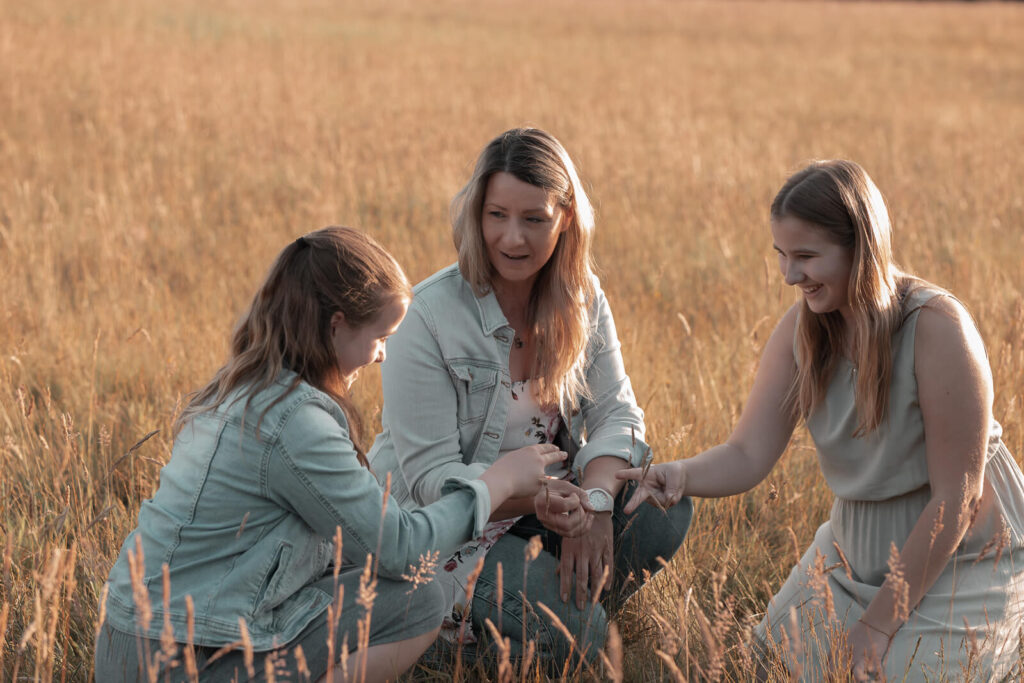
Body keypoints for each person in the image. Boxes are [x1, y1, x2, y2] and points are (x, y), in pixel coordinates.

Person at [94, 226, 567, 683]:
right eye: (380, 336)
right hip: (181, 661)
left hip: (133, 645)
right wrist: (499, 481)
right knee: (420, 598)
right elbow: (403, 552)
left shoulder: (244, 390)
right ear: (336, 326)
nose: (382, 355)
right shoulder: (294, 422)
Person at [617, 160, 1024, 681]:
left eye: (806, 256)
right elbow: (747, 453)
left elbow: (957, 499)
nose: (790, 275)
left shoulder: (938, 329)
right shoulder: (803, 331)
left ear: (862, 247)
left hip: (958, 556)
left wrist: (877, 627)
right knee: (763, 667)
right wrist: (681, 474)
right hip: (853, 550)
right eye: (782, 256)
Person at [367, 128, 694, 667]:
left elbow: (618, 414)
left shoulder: (582, 297)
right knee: (581, 639)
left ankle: (551, 607)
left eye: (533, 219)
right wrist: (542, 499)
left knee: (665, 504)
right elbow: (432, 482)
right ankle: (441, 638)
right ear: (476, 213)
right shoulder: (426, 317)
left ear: (565, 217)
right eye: (497, 215)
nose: (512, 239)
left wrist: (595, 502)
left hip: (556, 509)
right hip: (456, 531)